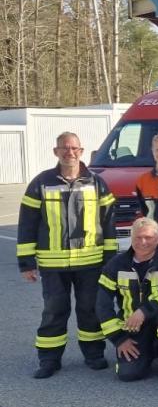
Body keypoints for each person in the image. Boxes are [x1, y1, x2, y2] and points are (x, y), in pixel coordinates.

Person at [17, 132, 117, 378]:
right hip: (53, 264)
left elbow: (109, 224)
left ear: (81, 151)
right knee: (54, 310)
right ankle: (49, 359)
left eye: (74, 148)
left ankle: (93, 354)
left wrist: (111, 261)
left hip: (91, 262)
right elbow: (27, 224)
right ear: (55, 151)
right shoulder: (41, 182)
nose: (69, 152)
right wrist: (26, 263)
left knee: (90, 309)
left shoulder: (96, 183)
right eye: (64, 148)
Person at [96, 217, 158, 382]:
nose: (143, 242)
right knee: (127, 374)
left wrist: (145, 311)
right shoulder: (116, 265)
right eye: (138, 237)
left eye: (149, 238)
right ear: (131, 238)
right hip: (133, 326)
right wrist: (118, 339)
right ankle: (149, 351)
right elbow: (102, 305)